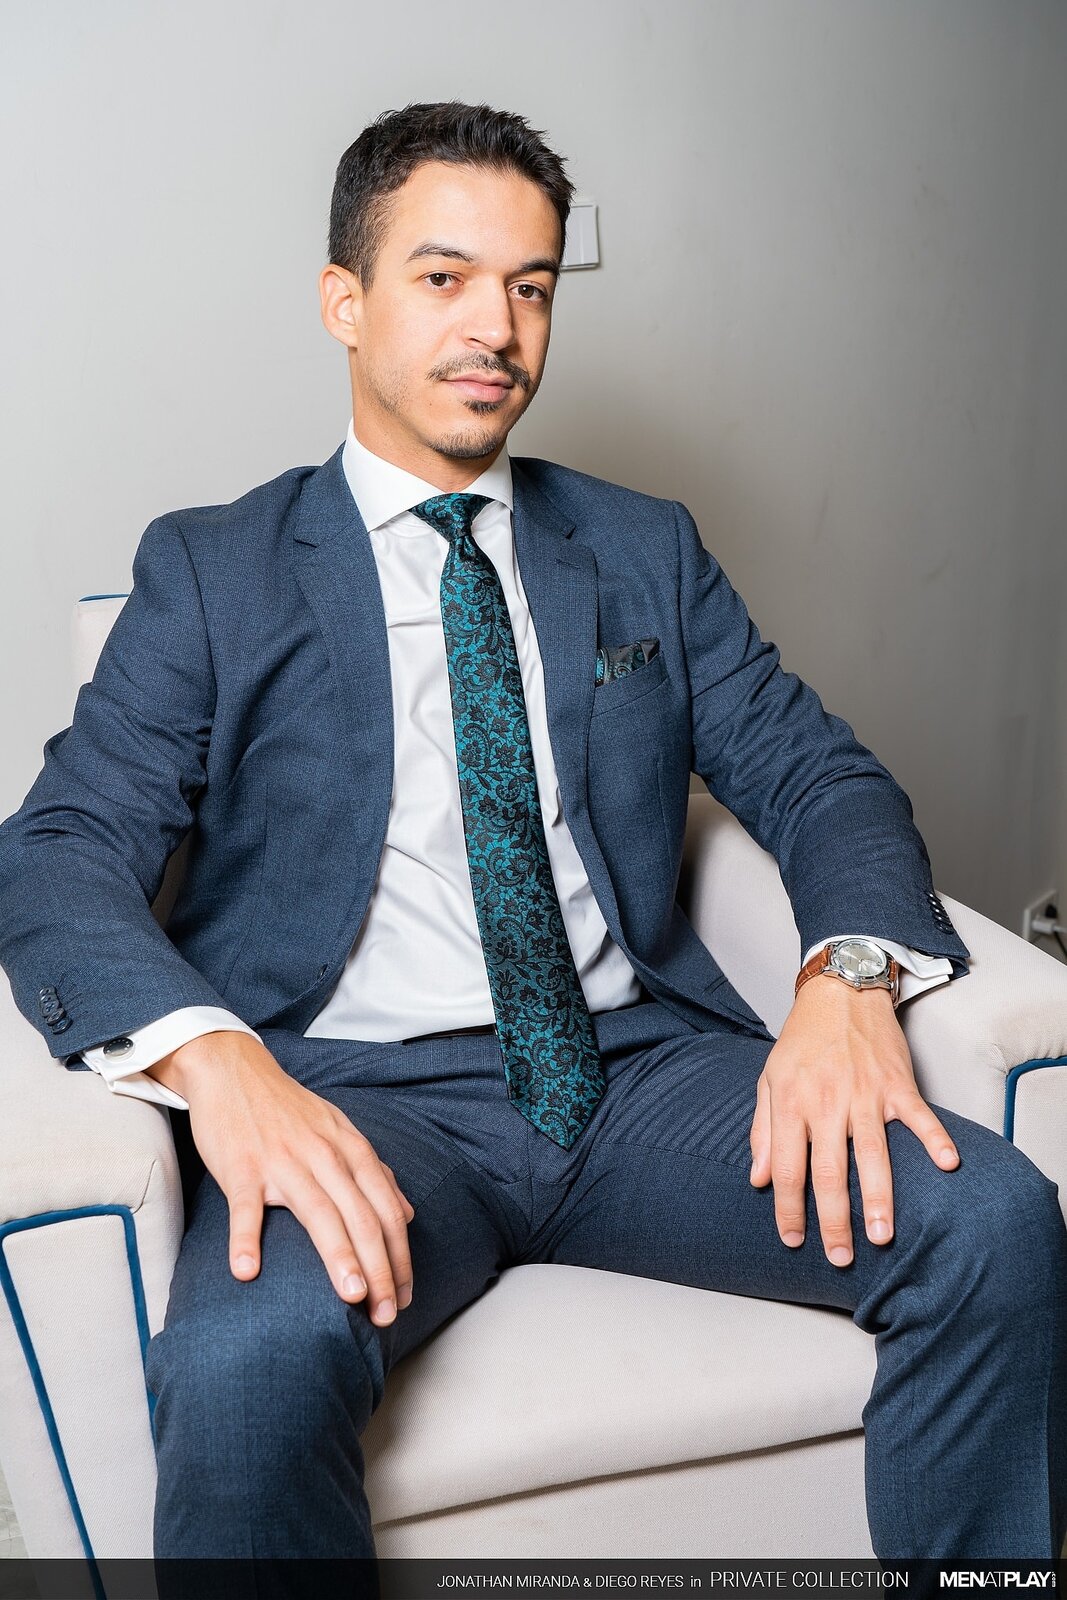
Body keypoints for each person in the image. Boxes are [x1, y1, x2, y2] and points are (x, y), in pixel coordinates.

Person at [0, 101, 1064, 1580]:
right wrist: (217, 1064)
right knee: (244, 1367)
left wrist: (849, 978)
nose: (495, 327)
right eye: (443, 278)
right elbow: (62, 849)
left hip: (637, 1078)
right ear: (345, 301)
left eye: (531, 284)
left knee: (994, 1221)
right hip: (358, 1097)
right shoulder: (213, 571)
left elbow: (822, 777)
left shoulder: (640, 547)